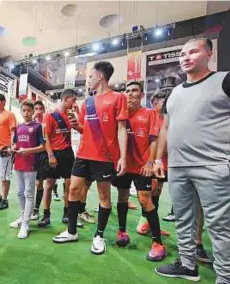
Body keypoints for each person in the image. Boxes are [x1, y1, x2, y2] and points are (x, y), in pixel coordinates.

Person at [154, 38, 230, 283]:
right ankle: (188, 266)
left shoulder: (229, 80)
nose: (185, 57)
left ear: (209, 53)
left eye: (193, 51)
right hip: (178, 168)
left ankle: (225, 278)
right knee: (184, 221)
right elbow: (165, 128)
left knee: (220, 227)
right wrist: (158, 158)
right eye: (182, 54)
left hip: (212, 166)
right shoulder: (175, 93)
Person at [53, 61, 128, 256]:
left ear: (101, 76)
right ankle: (71, 231)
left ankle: (99, 236)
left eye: (90, 77)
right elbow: (85, 130)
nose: (88, 81)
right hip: (83, 154)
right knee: (73, 190)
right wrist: (75, 124)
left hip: (104, 157)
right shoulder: (88, 102)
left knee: (104, 197)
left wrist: (122, 157)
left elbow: (121, 129)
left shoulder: (118, 98)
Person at [112, 82, 166, 261]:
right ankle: (121, 232)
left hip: (143, 166)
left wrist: (150, 162)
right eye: (127, 91)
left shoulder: (150, 114)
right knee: (122, 197)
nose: (130, 94)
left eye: (134, 91)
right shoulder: (121, 115)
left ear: (142, 95)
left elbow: (154, 140)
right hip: (124, 166)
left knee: (145, 200)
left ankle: (157, 242)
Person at [38, 89, 81, 228]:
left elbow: (82, 128)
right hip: (54, 154)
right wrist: (50, 155)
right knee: (49, 184)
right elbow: (46, 138)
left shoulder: (70, 115)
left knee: (69, 185)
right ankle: (46, 214)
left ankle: (67, 213)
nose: (74, 103)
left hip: (67, 153)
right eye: (73, 100)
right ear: (66, 98)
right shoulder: (50, 115)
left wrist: (78, 113)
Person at [136, 90, 171, 236]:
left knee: (157, 192)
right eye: (163, 101)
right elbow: (154, 141)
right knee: (147, 195)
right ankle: (143, 222)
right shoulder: (152, 116)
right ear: (154, 103)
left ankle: (151, 224)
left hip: (166, 164)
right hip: (153, 164)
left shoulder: (168, 117)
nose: (166, 104)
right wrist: (152, 162)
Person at [9, 100, 45, 238]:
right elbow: (15, 144)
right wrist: (12, 149)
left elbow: (42, 147)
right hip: (18, 163)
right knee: (19, 192)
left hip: (31, 164)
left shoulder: (38, 127)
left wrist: (29, 151)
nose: (26, 113)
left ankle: (26, 224)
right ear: (21, 111)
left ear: (33, 111)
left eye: (29, 110)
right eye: (24, 110)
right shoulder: (18, 127)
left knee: (29, 193)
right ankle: (22, 216)